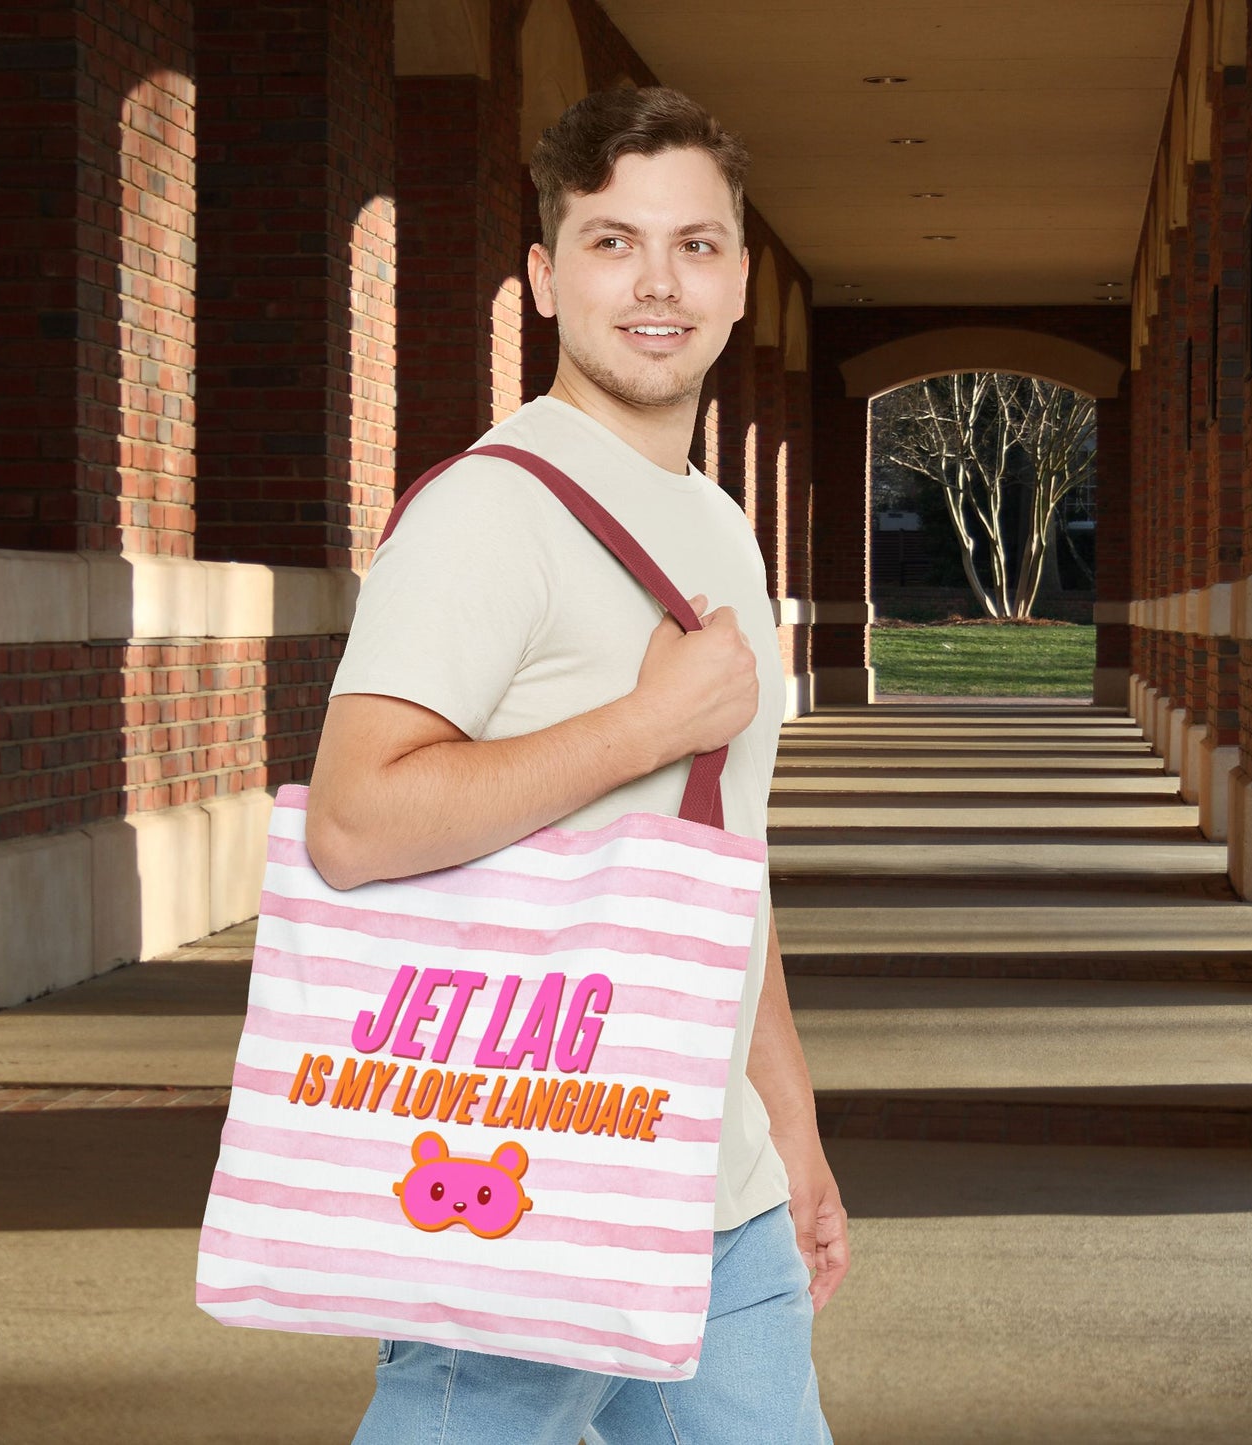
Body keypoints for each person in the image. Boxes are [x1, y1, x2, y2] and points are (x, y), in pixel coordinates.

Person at [305, 84, 848, 1445]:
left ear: (735, 281)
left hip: (716, 1193)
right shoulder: (489, 510)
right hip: (531, 1173)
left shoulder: (714, 523)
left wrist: (788, 1128)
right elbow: (355, 820)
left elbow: (724, 862)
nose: (657, 283)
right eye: (614, 243)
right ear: (547, 279)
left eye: (694, 245)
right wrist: (644, 726)